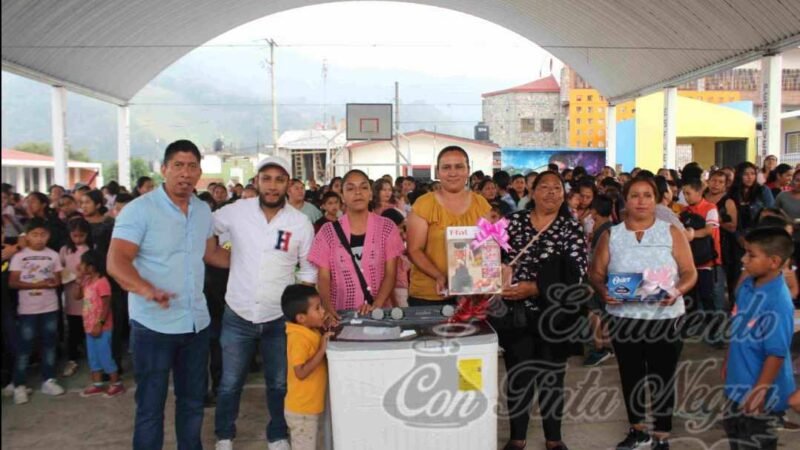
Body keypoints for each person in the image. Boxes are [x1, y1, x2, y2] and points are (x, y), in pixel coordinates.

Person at [107, 140, 231, 450]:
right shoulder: (140, 210)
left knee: (192, 405)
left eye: (192, 167)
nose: (185, 174)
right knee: (150, 407)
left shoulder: (203, 210)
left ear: (199, 172)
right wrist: (146, 289)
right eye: (178, 166)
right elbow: (116, 261)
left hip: (195, 325)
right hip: (153, 327)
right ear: (164, 169)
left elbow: (211, 253)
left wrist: (258, 261)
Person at [212, 156, 316, 450]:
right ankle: (224, 435)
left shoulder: (300, 223)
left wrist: (297, 311)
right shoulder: (235, 212)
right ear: (256, 181)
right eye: (266, 179)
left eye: (279, 180)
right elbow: (208, 230)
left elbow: (308, 270)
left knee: (279, 383)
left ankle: (278, 434)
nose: (272, 186)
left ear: (289, 185)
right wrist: (215, 257)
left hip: (278, 319)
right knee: (230, 383)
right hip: (238, 314)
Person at [590, 177, 697, 450]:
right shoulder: (611, 235)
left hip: (665, 317)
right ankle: (637, 430)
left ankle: (661, 434)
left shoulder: (671, 232)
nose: (641, 201)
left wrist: (676, 290)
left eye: (647, 195)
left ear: (656, 199)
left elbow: (689, 272)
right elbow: (596, 273)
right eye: (635, 195)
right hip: (625, 318)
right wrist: (603, 291)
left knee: (663, 375)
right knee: (630, 374)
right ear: (625, 199)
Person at [496, 171, 588, 450]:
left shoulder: (570, 228)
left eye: (557, 188)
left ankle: (553, 438)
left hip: (555, 316)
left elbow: (577, 274)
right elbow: (491, 256)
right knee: (519, 376)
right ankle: (517, 437)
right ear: (532, 192)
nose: (551, 192)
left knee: (552, 377)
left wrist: (535, 287)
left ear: (563, 193)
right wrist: (497, 274)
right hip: (516, 313)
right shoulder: (513, 222)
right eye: (544, 187)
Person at [723, 227, 796, 449]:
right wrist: (728, 360)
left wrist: (759, 391)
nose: (744, 259)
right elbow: (738, 328)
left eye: (751, 255)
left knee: (755, 441)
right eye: (745, 252)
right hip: (737, 383)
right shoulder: (747, 285)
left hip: (762, 394)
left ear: (774, 261)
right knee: (735, 435)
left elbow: (776, 353)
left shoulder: (779, 301)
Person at [309, 169, 403, 317]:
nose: (358, 192)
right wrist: (327, 307)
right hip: (341, 315)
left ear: (371, 193)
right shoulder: (327, 232)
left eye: (364, 187)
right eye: (350, 188)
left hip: (380, 314)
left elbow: (390, 274)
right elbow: (323, 277)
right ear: (342, 196)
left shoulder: (387, 228)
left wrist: (376, 306)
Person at [407, 146, 491, 306]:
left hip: (470, 294)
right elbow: (413, 250)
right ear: (438, 172)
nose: (453, 173)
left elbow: (485, 248)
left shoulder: (481, 204)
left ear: (468, 171)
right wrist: (439, 276)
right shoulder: (424, 204)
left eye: (459, 167)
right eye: (446, 167)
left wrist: (487, 278)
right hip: (429, 295)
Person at [8, 218, 65, 404]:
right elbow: (13, 282)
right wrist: (38, 283)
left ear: (48, 236)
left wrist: (52, 282)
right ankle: (19, 384)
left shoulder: (53, 255)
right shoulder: (20, 256)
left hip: (49, 306)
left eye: (43, 235)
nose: (39, 239)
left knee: (49, 344)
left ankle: (48, 379)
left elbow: (58, 279)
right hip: (27, 309)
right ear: (28, 236)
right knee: (25, 346)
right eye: (35, 235)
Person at [281, 284, 332, 450]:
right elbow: (301, 372)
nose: (323, 311)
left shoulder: (310, 330)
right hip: (302, 412)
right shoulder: (297, 338)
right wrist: (322, 349)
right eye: (317, 309)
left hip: (311, 407)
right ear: (301, 318)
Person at [682, 178, 725, 348]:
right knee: (690, 297)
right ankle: (691, 327)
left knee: (708, 298)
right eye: (684, 193)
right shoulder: (685, 210)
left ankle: (715, 333)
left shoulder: (710, 208)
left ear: (699, 193)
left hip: (706, 261)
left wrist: (691, 234)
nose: (685, 197)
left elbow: (709, 230)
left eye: (688, 193)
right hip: (689, 261)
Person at [77, 250, 124, 398]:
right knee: (93, 356)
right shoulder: (86, 281)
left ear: (91, 266)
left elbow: (106, 305)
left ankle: (116, 383)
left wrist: (100, 323)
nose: (80, 266)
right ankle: (97, 384)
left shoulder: (102, 282)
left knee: (105, 356)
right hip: (89, 326)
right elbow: (77, 296)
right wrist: (79, 282)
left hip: (102, 328)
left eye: (83, 263)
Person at [584, 194, 616, 367]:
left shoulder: (602, 231)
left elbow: (597, 259)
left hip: (599, 277)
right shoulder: (612, 228)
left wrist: (591, 278)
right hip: (609, 277)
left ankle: (599, 348)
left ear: (594, 211)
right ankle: (607, 345)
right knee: (604, 311)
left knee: (594, 311)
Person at [60, 217, 93, 377]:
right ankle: (72, 359)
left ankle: (92, 357)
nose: (78, 239)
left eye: (82, 235)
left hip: (89, 294)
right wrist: (73, 276)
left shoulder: (91, 249)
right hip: (71, 295)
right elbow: (60, 269)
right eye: (75, 236)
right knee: (73, 329)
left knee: (90, 326)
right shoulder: (65, 250)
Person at [705, 170, 739, 309]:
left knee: (722, 280)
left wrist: (718, 222)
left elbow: (733, 227)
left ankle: (726, 311)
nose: (716, 185)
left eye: (720, 182)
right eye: (713, 180)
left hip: (724, 245)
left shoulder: (728, 201)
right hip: (703, 243)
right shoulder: (701, 197)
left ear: (726, 185)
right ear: (708, 181)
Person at [381, 207, 411, 307]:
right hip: (395, 297)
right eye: (400, 228)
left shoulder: (399, 248)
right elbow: (389, 279)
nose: (404, 235)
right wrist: (395, 303)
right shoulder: (386, 250)